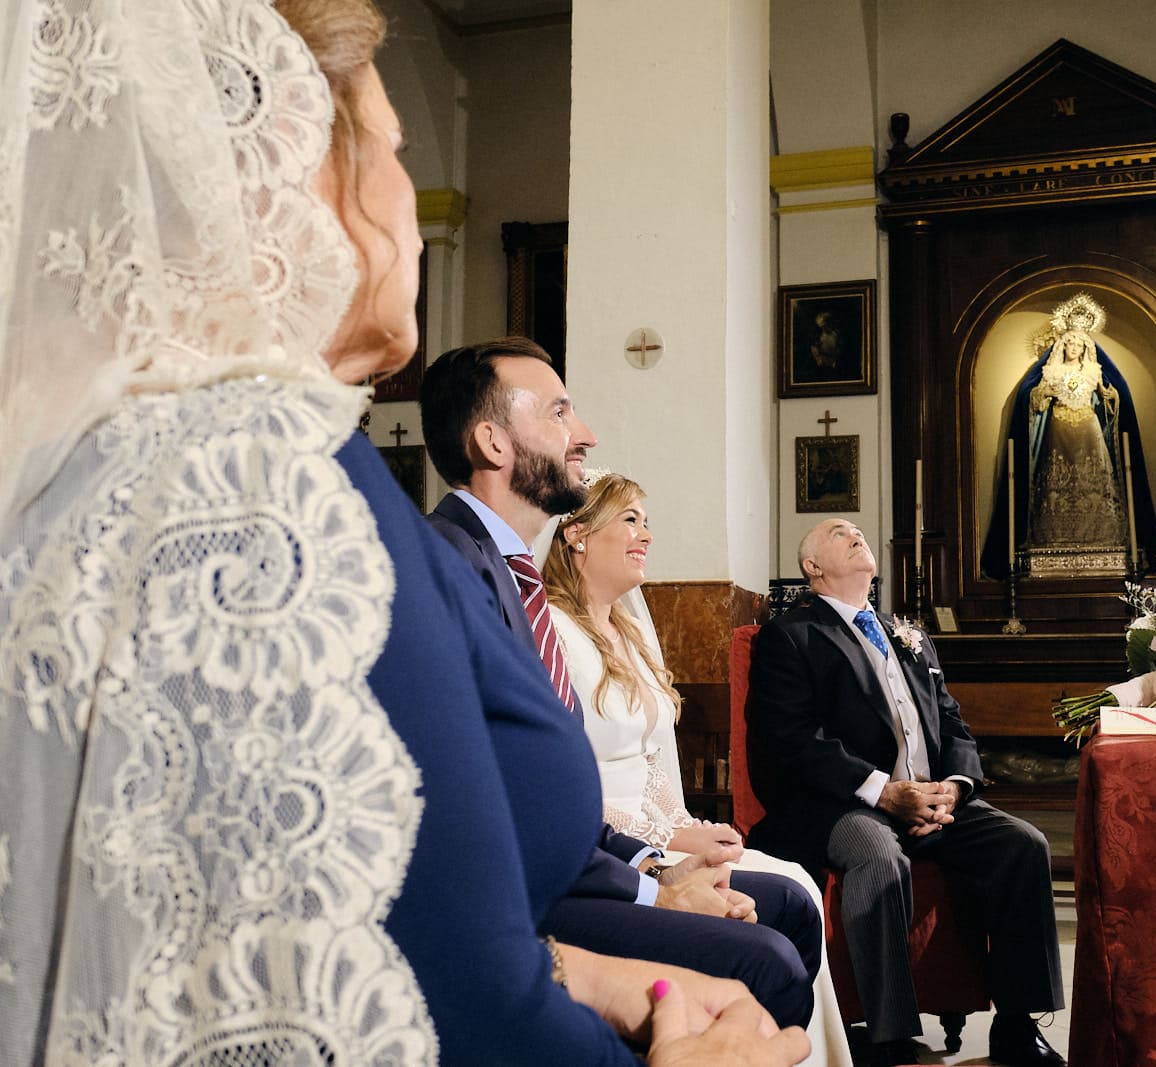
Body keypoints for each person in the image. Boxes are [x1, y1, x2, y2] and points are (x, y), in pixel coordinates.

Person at [0, 2, 807, 1064]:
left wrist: (588, 973)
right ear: (295, 174)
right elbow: (454, 1012)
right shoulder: (276, 486)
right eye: (389, 149)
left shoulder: (81, 459)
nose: (406, 199)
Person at [418, 337, 822, 1033]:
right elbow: (502, 798)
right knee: (769, 961)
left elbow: (549, 783)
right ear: (492, 441)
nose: (586, 435)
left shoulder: (505, 570)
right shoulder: (453, 567)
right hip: (521, 894)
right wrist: (655, 889)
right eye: (559, 413)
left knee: (787, 907)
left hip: (577, 859)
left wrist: (651, 862)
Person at [544, 473, 855, 1066]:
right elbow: (566, 782)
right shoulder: (552, 635)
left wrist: (683, 826)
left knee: (797, 885)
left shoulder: (627, 631)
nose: (646, 535)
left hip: (652, 827)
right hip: (606, 839)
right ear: (577, 535)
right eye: (630, 520)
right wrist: (665, 843)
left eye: (646, 520)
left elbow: (653, 756)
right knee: (786, 895)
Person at [746, 518, 1067, 1067]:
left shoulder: (907, 632)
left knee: (1023, 844)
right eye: (838, 531)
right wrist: (885, 793)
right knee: (878, 855)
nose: (856, 534)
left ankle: (1017, 1025)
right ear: (812, 567)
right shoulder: (792, 635)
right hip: (842, 803)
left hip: (931, 796)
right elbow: (793, 740)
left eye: (858, 530)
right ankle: (891, 1037)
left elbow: (952, 722)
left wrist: (955, 789)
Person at [981, 293, 1156, 579]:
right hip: (1058, 431)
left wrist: (1109, 395)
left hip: (1089, 431)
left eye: (1079, 343)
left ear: (1086, 346)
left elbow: (1111, 397)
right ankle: (1050, 539)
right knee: (1056, 484)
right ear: (1061, 345)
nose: (1074, 347)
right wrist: (1044, 393)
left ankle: (1102, 540)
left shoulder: (1094, 370)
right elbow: (1033, 400)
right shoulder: (1050, 370)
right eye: (1069, 343)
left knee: (1095, 481)